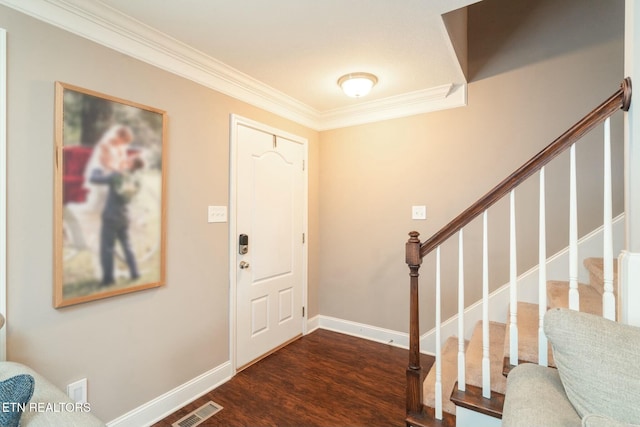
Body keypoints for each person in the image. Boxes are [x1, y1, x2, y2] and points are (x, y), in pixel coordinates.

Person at [90, 155, 143, 286]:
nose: (126, 160)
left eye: (129, 160)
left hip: (111, 216)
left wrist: (97, 168)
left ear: (132, 165)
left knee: (107, 248)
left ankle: (108, 279)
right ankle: (135, 272)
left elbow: (94, 179)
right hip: (125, 215)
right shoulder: (136, 179)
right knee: (127, 245)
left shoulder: (116, 176)